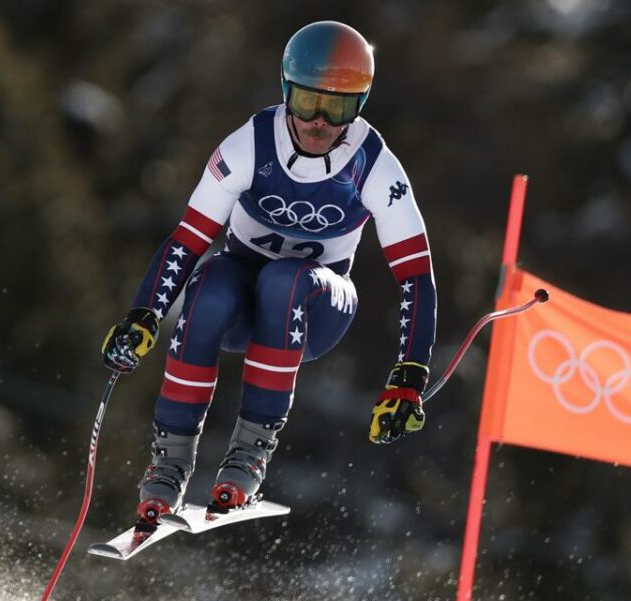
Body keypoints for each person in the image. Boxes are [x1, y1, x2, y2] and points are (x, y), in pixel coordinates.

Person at [101, 20, 437, 535]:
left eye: (338, 108)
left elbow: (415, 272)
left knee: (284, 279)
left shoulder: (373, 165)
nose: (319, 122)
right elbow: (189, 238)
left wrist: (409, 375)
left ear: (360, 105)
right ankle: (168, 464)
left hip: (316, 309)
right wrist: (144, 314)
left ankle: (249, 455)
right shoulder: (248, 146)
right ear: (285, 90)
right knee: (209, 285)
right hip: (239, 306)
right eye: (306, 102)